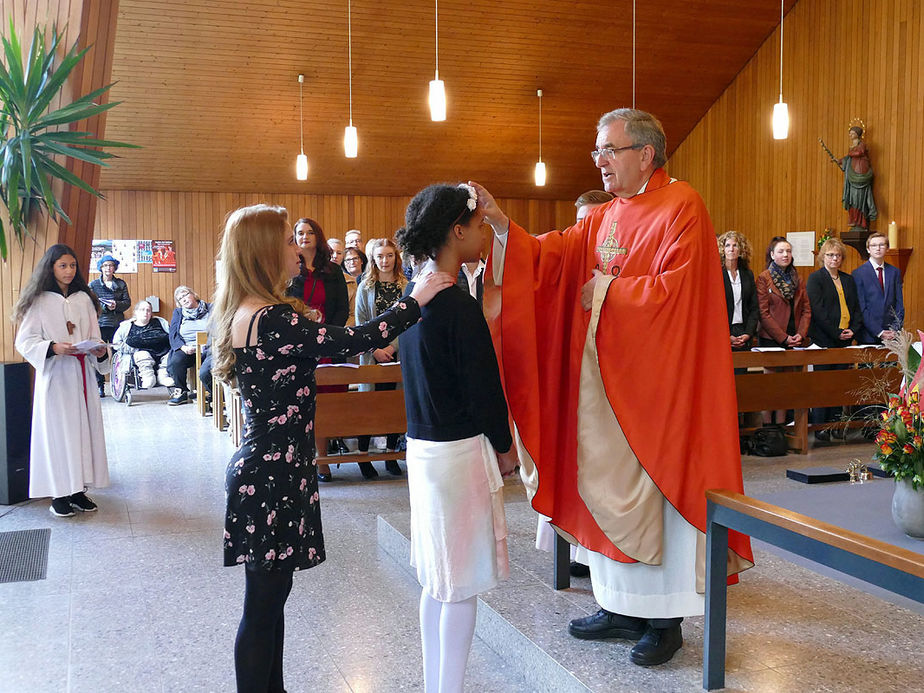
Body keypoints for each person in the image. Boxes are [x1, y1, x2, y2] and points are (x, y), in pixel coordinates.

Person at [472, 108, 753, 667]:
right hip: (600, 387)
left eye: (609, 150)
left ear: (646, 154)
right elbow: (557, 255)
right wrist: (503, 226)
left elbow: (682, 294)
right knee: (599, 491)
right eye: (596, 151)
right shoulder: (606, 215)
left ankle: (664, 620)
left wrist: (608, 294)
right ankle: (619, 605)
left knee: (652, 497)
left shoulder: (683, 206)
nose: (599, 160)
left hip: (657, 390)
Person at [212, 203, 452, 693]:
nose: (297, 249)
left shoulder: (253, 310)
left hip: (274, 465)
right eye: (286, 241)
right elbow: (354, 339)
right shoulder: (271, 317)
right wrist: (417, 298)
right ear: (262, 252)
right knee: (262, 603)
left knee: (270, 597)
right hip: (273, 470)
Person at [394, 183, 516, 693]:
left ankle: (434, 685)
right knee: (461, 585)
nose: (485, 232)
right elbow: (484, 387)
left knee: (437, 580)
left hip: (423, 449)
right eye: (480, 224)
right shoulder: (457, 305)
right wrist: (506, 449)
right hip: (458, 454)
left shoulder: (414, 297)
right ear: (457, 231)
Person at [13, 244, 110, 518]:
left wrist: (99, 349)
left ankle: (78, 490)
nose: (69, 271)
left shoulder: (84, 299)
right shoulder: (40, 300)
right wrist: (53, 347)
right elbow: (25, 340)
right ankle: (59, 494)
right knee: (59, 435)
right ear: (51, 268)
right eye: (62, 266)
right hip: (56, 377)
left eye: (72, 265)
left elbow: (95, 334)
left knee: (83, 433)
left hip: (81, 376)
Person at [286, 218, 351, 470]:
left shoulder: (333, 271)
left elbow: (342, 309)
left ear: (318, 236)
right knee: (302, 401)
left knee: (326, 403)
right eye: (299, 233)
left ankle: (321, 460)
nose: (304, 237)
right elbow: (285, 305)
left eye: (310, 232)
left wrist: (328, 335)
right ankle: (302, 457)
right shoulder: (291, 269)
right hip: (300, 343)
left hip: (329, 343)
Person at [355, 237, 409, 478]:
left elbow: (408, 320)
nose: (384, 260)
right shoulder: (365, 286)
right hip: (372, 354)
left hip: (397, 354)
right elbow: (361, 322)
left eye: (389, 255)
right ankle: (364, 457)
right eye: (380, 256)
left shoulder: (405, 285)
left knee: (393, 405)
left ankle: (390, 454)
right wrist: (376, 348)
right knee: (369, 407)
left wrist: (392, 347)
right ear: (373, 260)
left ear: (395, 258)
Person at [806, 238, 863, 440]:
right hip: (824, 339)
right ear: (823, 257)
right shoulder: (815, 279)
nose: (834, 258)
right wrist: (836, 332)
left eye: (838, 255)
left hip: (845, 339)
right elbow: (818, 311)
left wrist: (853, 330)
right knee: (824, 384)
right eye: (830, 255)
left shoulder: (848, 279)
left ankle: (836, 426)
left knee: (839, 384)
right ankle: (821, 427)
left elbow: (856, 308)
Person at [756, 236, 812, 425]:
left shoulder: (798, 278)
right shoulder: (764, 278)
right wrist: (783, 338)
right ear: (772, 255)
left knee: (786, 385)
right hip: (772, 338)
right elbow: (763, 314)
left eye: (788, 251)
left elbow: (806, 310)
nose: (785, 254)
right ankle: (767, 426)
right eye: (781, 251)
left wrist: (800, 335)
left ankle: (781, 426)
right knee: (770, 386)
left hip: (794, 338)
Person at [89, 254, 131, 396]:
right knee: (99, 354)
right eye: (105, 265)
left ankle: (118, 384)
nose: (108, 268)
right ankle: (100, 385)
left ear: (115, 268)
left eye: (111, 265)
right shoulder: (93, 285)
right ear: (101, 267)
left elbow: (127, 303)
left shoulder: (121, 284)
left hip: (117, 324)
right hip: (99, 324)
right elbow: (90, 304)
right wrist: (106, 306)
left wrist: (116, 305)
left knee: (118, 354)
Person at [852, 231, 904, 344]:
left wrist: (895, 329)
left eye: (881, 245)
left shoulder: (894, 272)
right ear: (868, 249)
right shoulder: (858, 273)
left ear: (887, 248)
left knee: (890, 362)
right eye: (874, 245)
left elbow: (899, 304)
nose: (878, 248)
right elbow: (861, 307)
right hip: (868, 334)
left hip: (892, 335)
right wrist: (879, 332)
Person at [167, 286, 212, 405]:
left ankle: (210, 393)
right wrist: (183, 347)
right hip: (188, 348)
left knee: (208, 364)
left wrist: (206, 345)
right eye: (180, 299)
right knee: (177, 359)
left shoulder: (210, 308)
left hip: (208, 347)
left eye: (185, 295)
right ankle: (181, 391)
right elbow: (173, 334)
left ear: (193, 294)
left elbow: (218, 329)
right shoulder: (178, 312)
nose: (184, 299)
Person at [112, 300, 173, 389]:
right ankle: (148, 377)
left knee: (171, 355)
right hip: (140, 353)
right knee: (143, 355)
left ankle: (162, 376)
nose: (146, 312)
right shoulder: (126, 326)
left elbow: (172, 336)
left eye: (148, 310)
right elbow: (116, 344)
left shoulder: (161, 322)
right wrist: (134, 350)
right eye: (142, 310)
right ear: (136, 312)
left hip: (163, 352)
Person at [719, 231, 759, 354]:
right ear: (722, 250)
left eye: (735, 245)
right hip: (723, 332)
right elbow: (713, 310)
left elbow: (754, 307)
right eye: (727, 245)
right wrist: (727, 335)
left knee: (742, 372)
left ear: (741, 250)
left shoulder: (747, 274)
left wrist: (748, 333)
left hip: (744, 331)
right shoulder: (716, 274)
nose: (731, 249)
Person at [834, 125, 878, 230]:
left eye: (852, 133)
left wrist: (850, 153)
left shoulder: (861, 144)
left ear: (857, 134)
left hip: (861, 173)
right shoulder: (851, 147)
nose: (850, 134)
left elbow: (859, 152)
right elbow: (848, 158)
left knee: (860, 199)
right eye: (850, 133)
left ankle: (861, 222)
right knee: (852, 198)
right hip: (852, 175)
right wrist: (839, 160)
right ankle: (854, 220)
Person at [342, 247, 367, 327]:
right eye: (348, 260)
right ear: (344, 264)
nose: (352, 262)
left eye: (355, 258)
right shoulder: (341, 282)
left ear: (361, 261)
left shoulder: (369, 279)